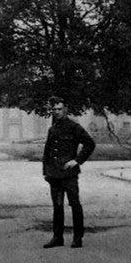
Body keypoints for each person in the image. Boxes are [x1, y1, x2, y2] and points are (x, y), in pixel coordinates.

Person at [41, 96, 95, 249]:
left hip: (69, 174)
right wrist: (46, 172)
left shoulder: (74, 127)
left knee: (74, 204)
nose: (57, 112)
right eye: (54, 109)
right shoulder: (52, 129)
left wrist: (77, 161)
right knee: (57, 206)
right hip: (54, 175)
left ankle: (78, 238)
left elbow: (90, 144)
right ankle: (57, 237)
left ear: (65, 110)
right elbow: (47, 152)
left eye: (59, 109)